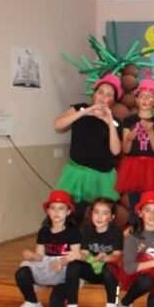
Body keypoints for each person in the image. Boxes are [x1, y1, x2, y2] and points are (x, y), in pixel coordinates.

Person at [14, 190, 81, 307]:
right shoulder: (44, 231)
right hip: (47, 265)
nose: (56, 212)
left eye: (61, 208)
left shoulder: (73, 232)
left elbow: (75, 254)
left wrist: (62, 262)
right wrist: (32, 256)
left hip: (64, 267)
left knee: (58, 291)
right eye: (53, 208)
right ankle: (32, 302)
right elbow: (40, 255)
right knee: (22, 272)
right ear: (48, 211)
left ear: (68, 212)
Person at [53, 74, 121, 222]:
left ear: (113, 101)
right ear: (94, 94)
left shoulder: (115, 121)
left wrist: (109, 121)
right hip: (77, 174)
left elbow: (116, 151)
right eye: (100, 92)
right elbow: (58, 124)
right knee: (72, 216)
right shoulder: (79, 108)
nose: (103, 97)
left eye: (109, 95)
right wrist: (85, 112)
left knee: (100, 219)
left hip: (102, 178)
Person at [62, 197, 122, 307]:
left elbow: (117, 256)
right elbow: (84, 253)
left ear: (112, 217)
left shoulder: (116, 231)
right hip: (92, 269)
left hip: (108, 273)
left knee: (109, 268)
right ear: (91, 214)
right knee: (73, 265)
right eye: (96, 212)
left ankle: (112, 305)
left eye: (104, 213)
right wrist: (77, 256)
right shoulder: (87, 229)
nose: (99, 217)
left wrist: (105, 257)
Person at [115, 79, 154, 221]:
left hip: (151, 167)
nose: (145, 99)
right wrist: (129, 139)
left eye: (150, 97)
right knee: (134, 204)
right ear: (136, 99)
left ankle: (152, 229)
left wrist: (150, 132)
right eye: (142, 96)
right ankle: (135, 228)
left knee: (151, 202)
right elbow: (126, 149)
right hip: (133, 167)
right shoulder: (129, 120)